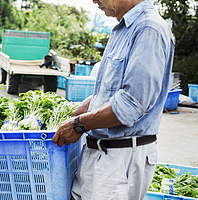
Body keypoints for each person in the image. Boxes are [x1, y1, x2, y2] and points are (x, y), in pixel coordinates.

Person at [52, 0, 174, 199]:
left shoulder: (148, 28)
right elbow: (115, 90)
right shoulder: (123, 28)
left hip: (120, 159)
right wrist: (88, 105)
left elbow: (131, 104)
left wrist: (78, 125)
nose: (93, 0)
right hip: (98, 153)